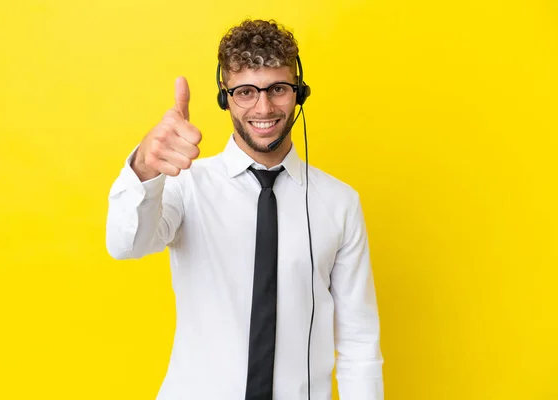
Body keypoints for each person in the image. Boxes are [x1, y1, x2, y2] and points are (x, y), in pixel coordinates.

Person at [106, 18, 384, 400]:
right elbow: (126, 244)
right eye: (246, 92)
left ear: (299, 91)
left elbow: (358, 341)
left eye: (278, 89)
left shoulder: (339, 203)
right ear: (225, 96)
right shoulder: (185, 184)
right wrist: (144, 170)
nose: (264, 107)